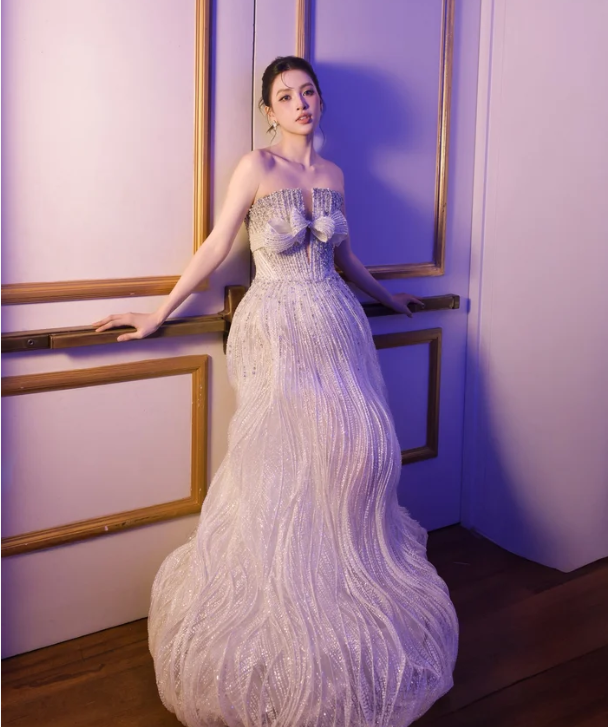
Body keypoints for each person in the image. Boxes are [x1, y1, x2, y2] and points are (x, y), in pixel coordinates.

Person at [93, 55, 458, 727]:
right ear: (269, 110)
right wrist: (158, 314)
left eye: (307, 92)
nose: (300, 103)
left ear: (319, 100)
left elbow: (345, 257)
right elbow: (214, 246)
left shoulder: (334, 174)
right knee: (280, 461)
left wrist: (387, 296)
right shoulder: (256, 167)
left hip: (336, 324)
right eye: (286, 96)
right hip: (275, 327)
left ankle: (341, 590)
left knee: (356, 452)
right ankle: (280, 600)